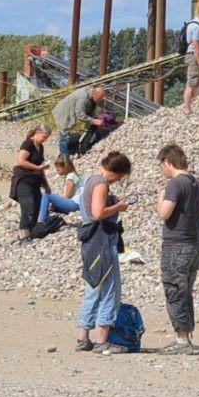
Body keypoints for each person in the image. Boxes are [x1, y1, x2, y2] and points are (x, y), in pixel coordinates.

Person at [75, 151, 132, 354]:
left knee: (93, 287)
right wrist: (119, 206)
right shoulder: (101, 183)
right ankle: (102, 340)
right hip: (102, 241)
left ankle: (83, 337)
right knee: (110, 289)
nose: (118, 180)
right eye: (120, 176)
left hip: (90, 241)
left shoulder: (90, 179)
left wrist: (113, 201)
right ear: (116, 171)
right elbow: (98, 213)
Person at [152, 142, 199, 353]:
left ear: (167, 161)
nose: (162, 170)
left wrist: (159, 200)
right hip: (194, 245)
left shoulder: (175, 184)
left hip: (176, 245)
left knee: (174, 291)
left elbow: (164, 213)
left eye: (161, 165)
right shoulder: (197, 184)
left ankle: (181, 340)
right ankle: (186, 335)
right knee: (186, 292)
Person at [28, 156, 83, 239]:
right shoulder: (74, 175)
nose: (57, 170)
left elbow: (68, 196)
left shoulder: (71, 177)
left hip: (74, 204)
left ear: (65, 167)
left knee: (46, 194)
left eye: (58, 168)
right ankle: (46, 220)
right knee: (50, 204)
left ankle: (41, 222)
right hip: (77, 204)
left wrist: (54, 201)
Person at [9, 125, 49, 234]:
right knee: (28, 206)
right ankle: (24, 235)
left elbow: (40, 166)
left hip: (35, 181)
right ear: (37, 133)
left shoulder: (40, 147)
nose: (45, 139)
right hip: (23, 179)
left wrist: (46, 185)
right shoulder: (28, 144)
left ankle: (32, 233)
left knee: (37, 206)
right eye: (44, 136)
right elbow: (20, 161)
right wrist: (37, 168)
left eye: (47, 138)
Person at [54, 83, 109, 160]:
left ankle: (66, 155)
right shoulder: (83, 97)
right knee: (64, 136)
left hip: (71, 114)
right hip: (63, 113)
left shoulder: (92, 97)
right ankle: (64, 160)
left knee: (69, 135)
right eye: (101, 98)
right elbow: (80, 114)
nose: (102, 100)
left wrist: (93, 121)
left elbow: (90, 111)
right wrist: (93, 121)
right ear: (95, 95)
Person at [180, 4, 199, 110]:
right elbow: (195, 46)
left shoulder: (195, 24)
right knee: (191, 84)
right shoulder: (196, 26)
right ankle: (187, 109)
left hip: (197, 56)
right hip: (194, 57)